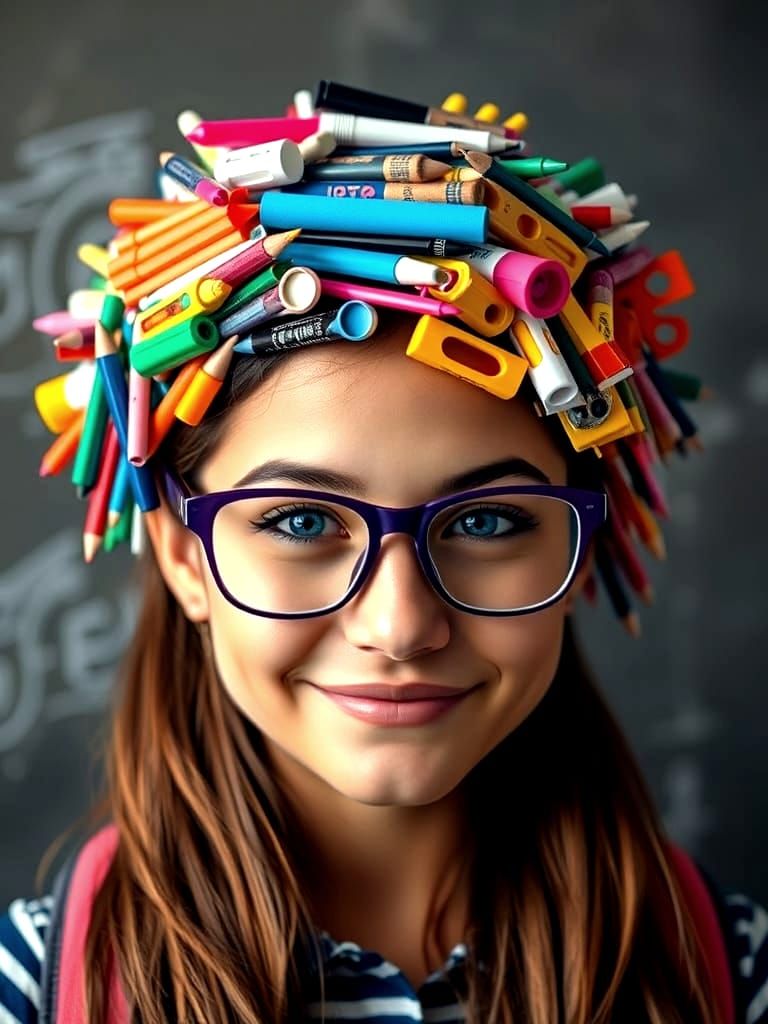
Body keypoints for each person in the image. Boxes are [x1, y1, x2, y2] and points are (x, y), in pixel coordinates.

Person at [3, 87, 768, 1023]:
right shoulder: (34, 993)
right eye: (297, 522)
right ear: (181, 556)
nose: (402, 625)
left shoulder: (729, 974)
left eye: (488, 523)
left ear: (584, 539)